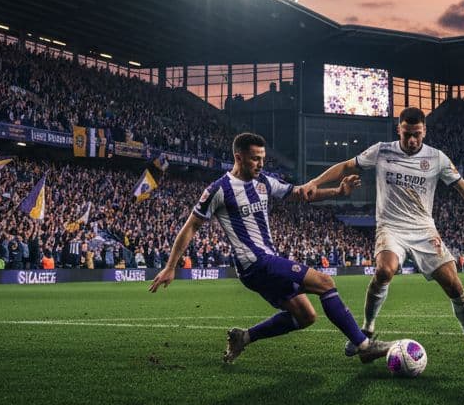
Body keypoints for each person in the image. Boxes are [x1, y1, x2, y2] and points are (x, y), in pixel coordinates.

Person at [150, 132, 390, 365]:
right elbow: (190, 226)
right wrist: (171, 266)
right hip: (255, 263)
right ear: (239, 157)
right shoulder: (219, 189)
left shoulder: (264, 181)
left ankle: (243, 337)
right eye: (255, 158)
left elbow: (299, 193)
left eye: (263, 158)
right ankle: (364, 347)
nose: (260, 163)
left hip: (265, 263)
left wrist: (337, 192)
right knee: (325, 283)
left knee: (306, 316)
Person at [305, 107, 464, 359]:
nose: (412, 140)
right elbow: (346, 165)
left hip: (424, 229)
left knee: (454, 286)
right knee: (384, 271)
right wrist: (314, 183)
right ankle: (367, 330)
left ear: (424, 130)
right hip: (391, 227)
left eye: (417, 134)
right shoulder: (382, 150)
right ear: (399, 129)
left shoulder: (436, 158)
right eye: (407, 134)